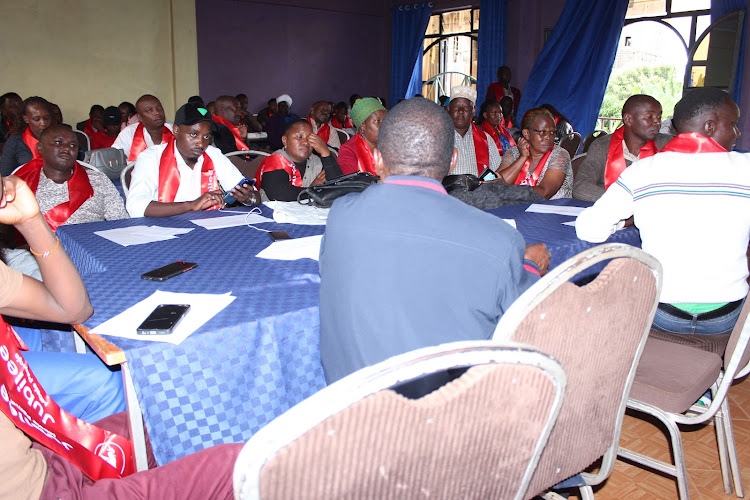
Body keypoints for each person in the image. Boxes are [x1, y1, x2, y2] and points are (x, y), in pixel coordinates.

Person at [0, 174, 241, 499]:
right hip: (36, 488)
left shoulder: (94, 177)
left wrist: (31, 222)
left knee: (163, 413)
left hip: (40, 458)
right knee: (235, 464)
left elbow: (73, 309)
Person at [319, 98, 549, 384]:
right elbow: (529, 318)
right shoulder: (499, 239)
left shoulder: (341, 216)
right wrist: (529, 266)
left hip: (347, 415)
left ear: (378, 159)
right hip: (444, 418)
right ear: (453, 161)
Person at [575, 87, 750, 335]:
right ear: (709, 127)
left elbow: (588, 229)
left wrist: (625, 220)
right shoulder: (746, 168)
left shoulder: (644, 170)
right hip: (727, 315)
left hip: (663, 313)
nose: (737, 133)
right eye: (733, 125)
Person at [126, 102, 259, 218]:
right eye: (193, 135)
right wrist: (191, 205)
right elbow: (136, 206)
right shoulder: (151, 158)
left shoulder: (213, 155)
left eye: (206, 137)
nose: (201, 143)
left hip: (207, 230)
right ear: (176, 130)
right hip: (163, 233)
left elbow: (254, 196)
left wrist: (248, 198)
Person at [15, 124, 128, 227]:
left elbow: (121, 223)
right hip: (41, 248)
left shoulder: (97, 180)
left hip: (93, 245)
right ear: (40, 147)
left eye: (73, 145)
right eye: (58, 143)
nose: (67, 148)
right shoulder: (23, 184)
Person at [573, 94, 672, 202]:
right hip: (612, 211)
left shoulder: (667, 145)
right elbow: (581, 186)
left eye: (659, 117)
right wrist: (625, 203)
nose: (658, 122)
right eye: (650, 117)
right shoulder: (602, 146)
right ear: (628, 119)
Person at [255, 119, 342, 201]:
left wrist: (325, 152)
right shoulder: (276, 159)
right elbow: (279, 194)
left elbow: (339, 187)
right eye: (299, 137)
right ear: (285, 140)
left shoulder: (316, 161)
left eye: (309, 138)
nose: (306, 142)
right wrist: (312, 190)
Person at [496, 107, 573, 199]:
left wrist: (505, 191)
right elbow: (496, 183)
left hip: (551, 210)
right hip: (515, 207)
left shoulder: (560, 155)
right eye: (542, 132)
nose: (548, 137)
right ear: (526, 133)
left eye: (552, 132)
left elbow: (545, 192)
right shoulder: (513, 152)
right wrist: (522, 158)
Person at [446, 86, 502, 176]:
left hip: (479, 189)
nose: (461, 111)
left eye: (466, 108)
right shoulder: (437, 139)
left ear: (474, 110)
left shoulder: (486, 140)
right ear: (448, 109)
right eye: (456, 107)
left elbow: (496, 173)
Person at [0, 96, 53, 176]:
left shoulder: (60, 139)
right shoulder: (14, 142)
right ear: (26, 119)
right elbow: (6, 176)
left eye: (46, 118)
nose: (43, 123)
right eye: (36, 119)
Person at [112, 94, 173, 162]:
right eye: (150, 110)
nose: (157, 113)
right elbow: (114, 161)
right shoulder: (129, 133)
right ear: (139, 117)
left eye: (159, 108)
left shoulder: (174, 130)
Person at [336, 97, 386, 175]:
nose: (384, 126)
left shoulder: (390, 146)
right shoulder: (348, 150)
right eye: (378, 121)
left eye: (386, 120)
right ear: (362, 125)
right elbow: (352, 184)